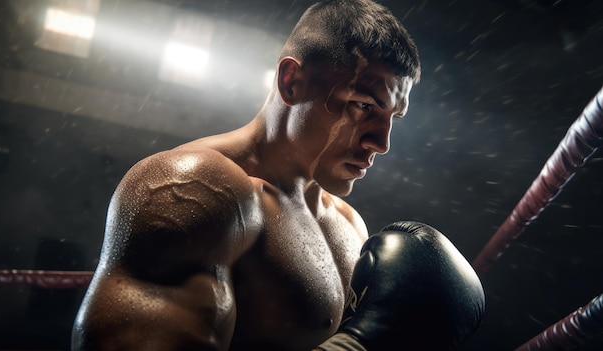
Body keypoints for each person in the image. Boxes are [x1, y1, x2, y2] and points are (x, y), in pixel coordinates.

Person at [72, 0, 485, 350]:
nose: (382, 142)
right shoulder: (195, 190)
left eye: (393, 117)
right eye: (363, 106)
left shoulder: (349, 224)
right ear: (292, 82)